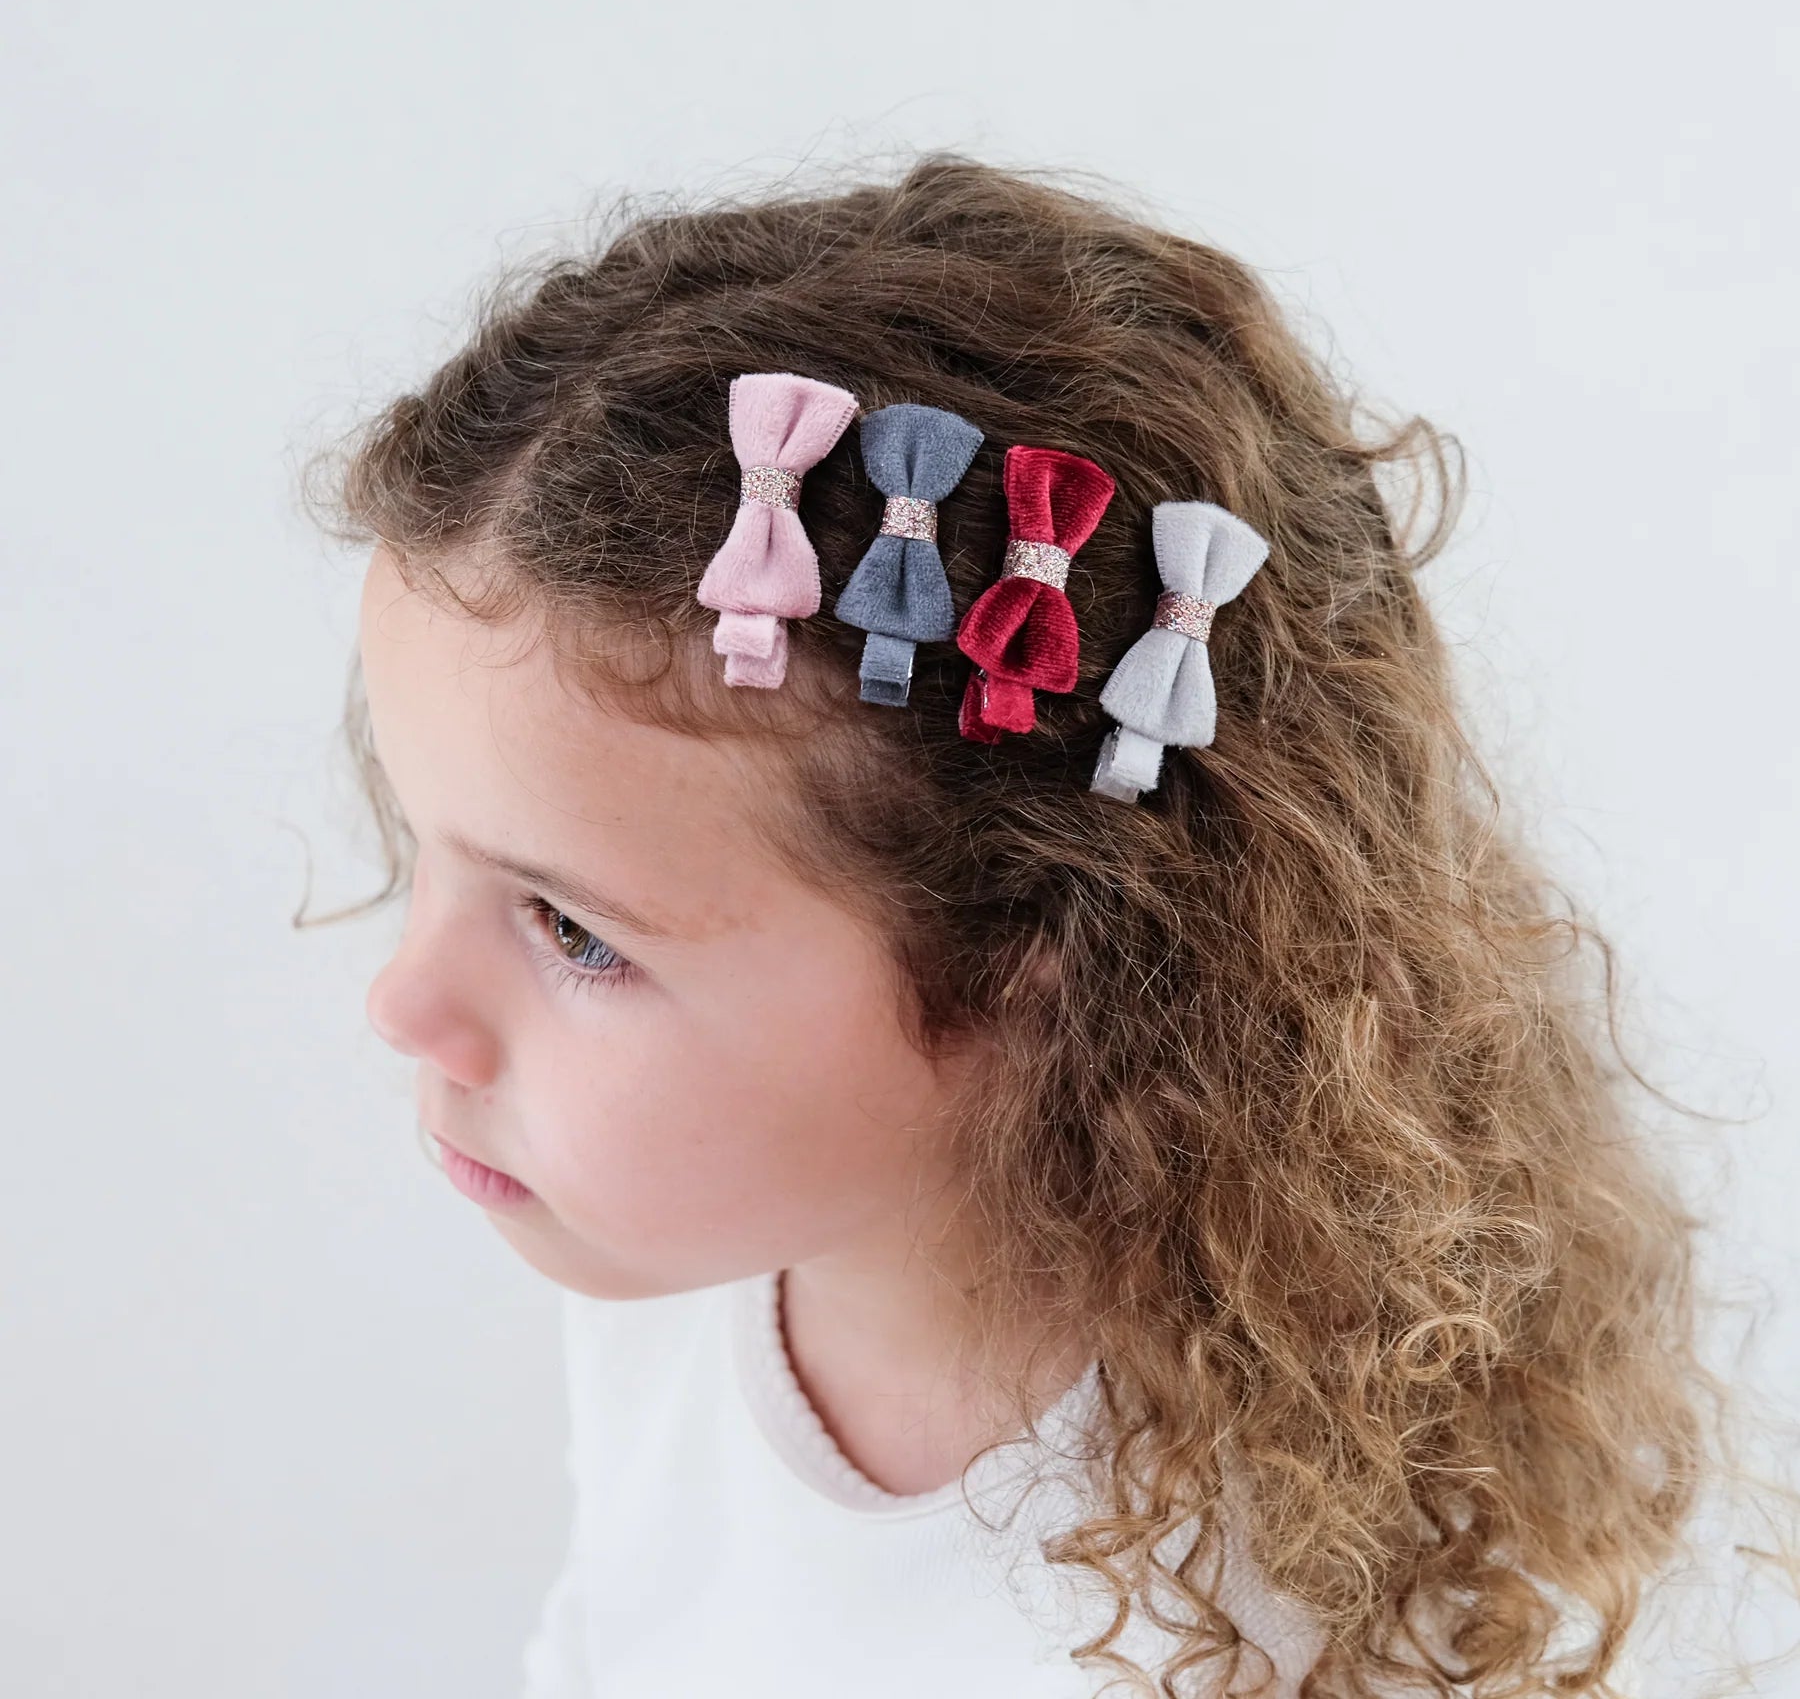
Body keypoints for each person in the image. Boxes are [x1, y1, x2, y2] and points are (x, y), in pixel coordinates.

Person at [302, 155, 1748, 1696]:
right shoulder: (673, 1279)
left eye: (573, 932)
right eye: (422, 844)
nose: (401, 1001)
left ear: (1036, 961)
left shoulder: (1255, 1611)